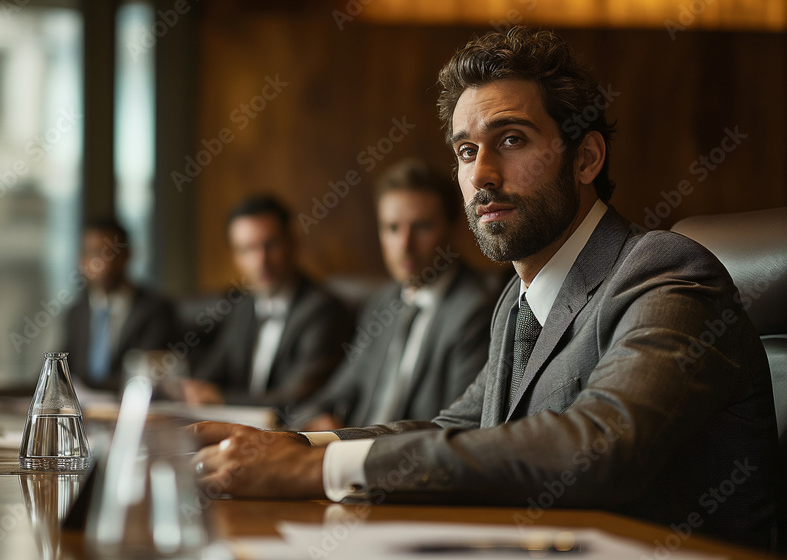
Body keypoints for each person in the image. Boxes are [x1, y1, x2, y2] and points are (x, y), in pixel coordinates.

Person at [190, 27, 780, 551]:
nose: (480, 175)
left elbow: (600, 447)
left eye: (512, 140)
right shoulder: (516, 302)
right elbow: (456, 431)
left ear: (587, 157)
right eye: (466, 151)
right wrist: (291, 445)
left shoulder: (666, 271)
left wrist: (311, 472)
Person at [293, 159, 496, 430]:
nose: (404, 245)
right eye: (392, 228)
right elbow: (333, 393)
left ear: (455, 229)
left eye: (421, 227)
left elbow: (456, 429)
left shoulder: (477, 309)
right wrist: (315, 419)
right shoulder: (380, 303)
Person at [185, 195, 354, 409]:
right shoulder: (241, 306)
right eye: (247, 249)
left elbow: (299, 397)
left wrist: (222, 399)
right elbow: (214, 370)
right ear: (235, 258)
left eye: (270, 245)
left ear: (293, 244)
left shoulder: (324, 310)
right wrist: (191, 389)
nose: (261, 261)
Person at [63, 218, 178, 392]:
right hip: (83, 411)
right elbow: (60, 368)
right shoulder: (76, 313)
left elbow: (146, 376)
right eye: (92, 253)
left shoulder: (155, 310)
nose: (100, 264)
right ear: (81, 259)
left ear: (126, 255)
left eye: (108, 253)